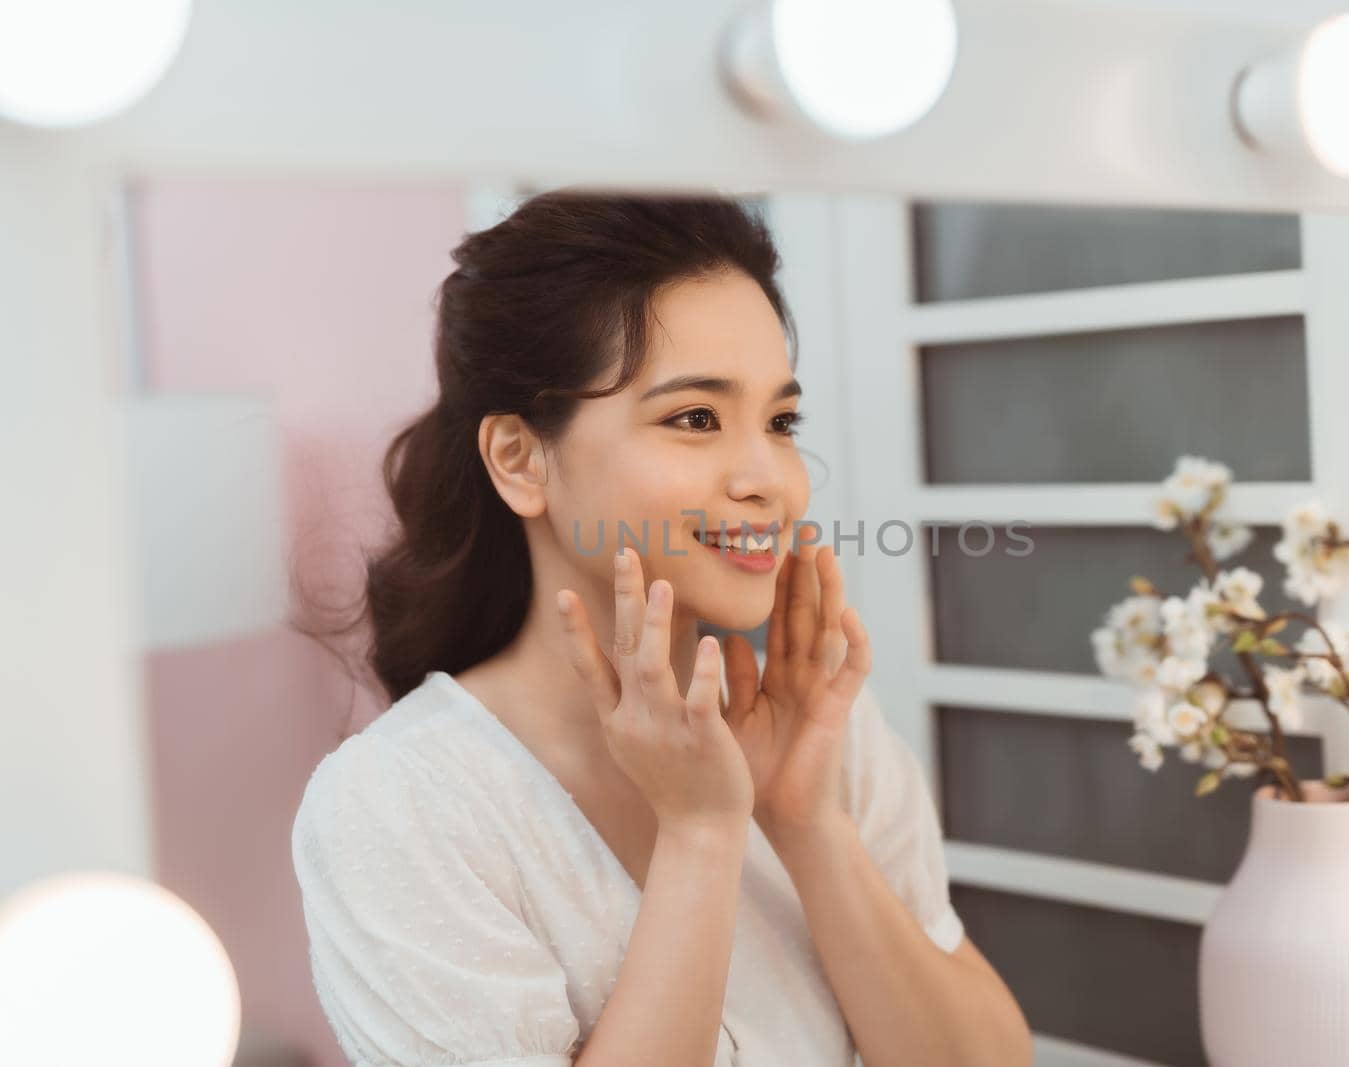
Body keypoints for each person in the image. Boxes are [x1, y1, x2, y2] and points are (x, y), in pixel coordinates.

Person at [289, 189, 1031, 1067]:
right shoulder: (400, 806)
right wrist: (703, 834)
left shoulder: (821, 734)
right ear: (521, 459)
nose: (769, 479)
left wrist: (806, 822)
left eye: (781, 421)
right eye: (695, 418)